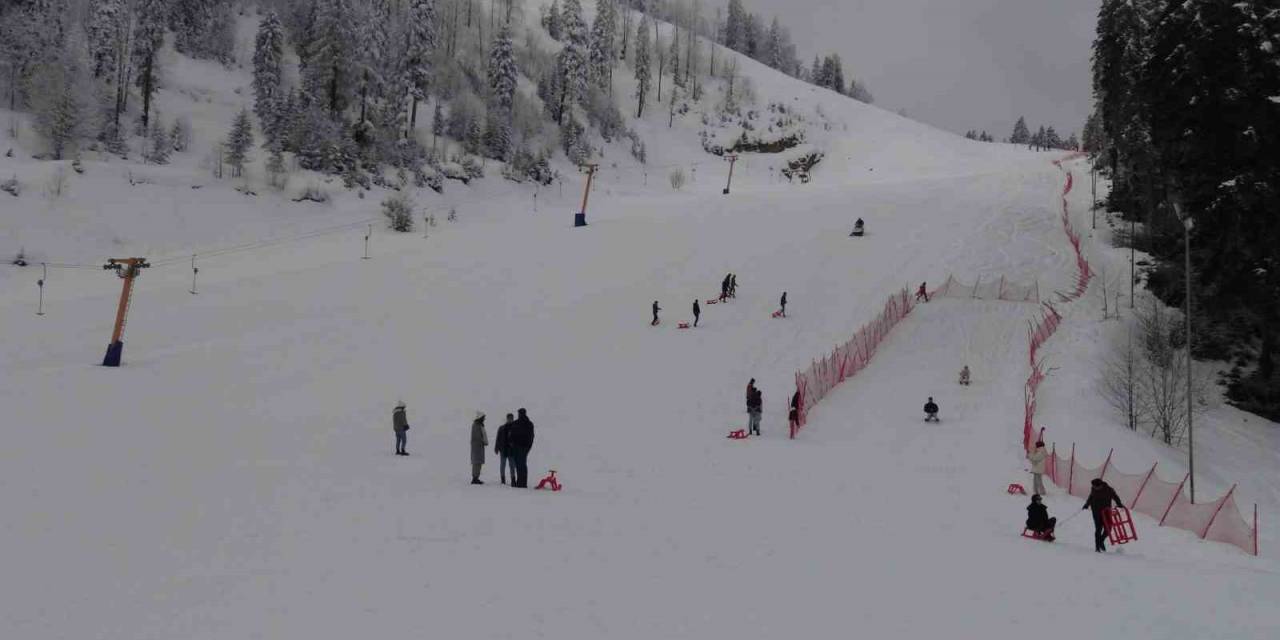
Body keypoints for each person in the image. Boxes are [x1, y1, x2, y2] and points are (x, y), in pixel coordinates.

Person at [1083, 478, 1124, 552]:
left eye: (1095, 487)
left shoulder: (1109, 490)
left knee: (1108, 529)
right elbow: (1091, 497)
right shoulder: (1093, 489)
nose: (1094, 488)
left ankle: (1101, 541)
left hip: (1106, 511)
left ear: (1100, 485)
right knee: (1098, 529)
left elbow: (1115, 497)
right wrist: (1087, 504)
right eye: (1093, 486)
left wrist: (1119, 504)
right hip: (1096, 512)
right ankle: (1097, 547)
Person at [508, 408, 535, 488]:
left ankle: (520, 482)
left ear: (519, 414)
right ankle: (523, 483)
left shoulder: (516, 423)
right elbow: (532, 437)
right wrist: (528, 447)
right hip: (524, 448)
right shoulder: (529, 423)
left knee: (519, 464)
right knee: (522, 464)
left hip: (517, 447)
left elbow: (510, 435)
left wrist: (512, 444)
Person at [495, 413, 515, 485]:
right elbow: (498, 438)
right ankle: (502, 479)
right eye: (509, 418)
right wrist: (496, 448)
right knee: (502, 465)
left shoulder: (515, 428)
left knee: (512, 465)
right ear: (507, 419)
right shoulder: (502, 428)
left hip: (511, 450)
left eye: (511, 418)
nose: (510, 420)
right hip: (503, 449)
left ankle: (513, 479)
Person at [470, 411, 488, 485]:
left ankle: (476, 477)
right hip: (477, 447)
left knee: (478, 463)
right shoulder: (476, 425)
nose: (484, 419)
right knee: (476, 463)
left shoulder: (479, 425)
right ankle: (475, 478)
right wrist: (483, 441)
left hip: (479, 447)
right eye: (483, 417)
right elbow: (478, 436)